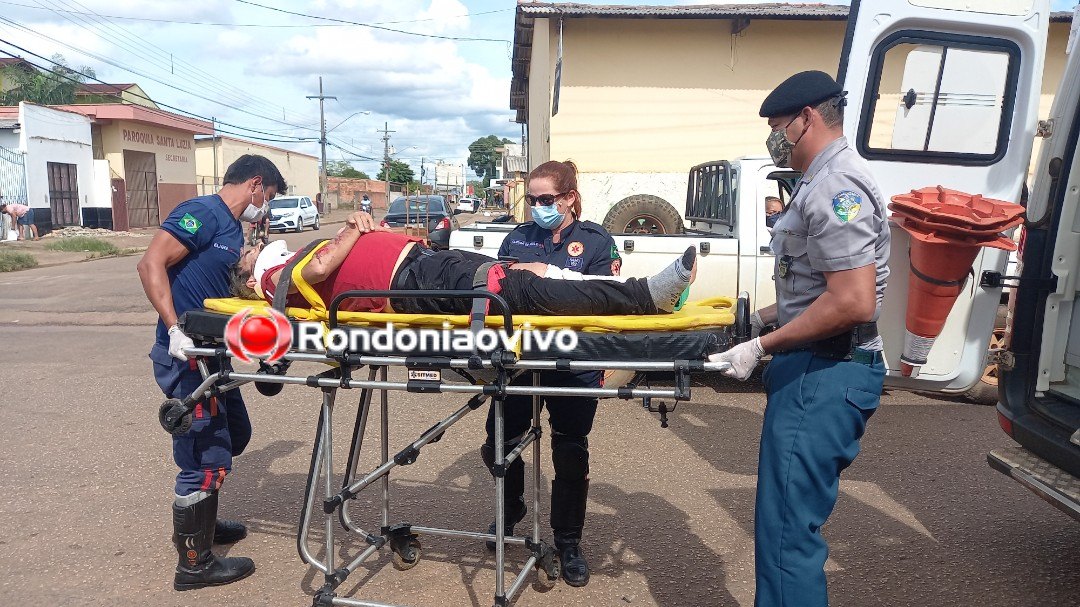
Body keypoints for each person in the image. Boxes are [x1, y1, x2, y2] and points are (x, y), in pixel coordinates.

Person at [710, 71, 890, 607]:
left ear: (807, 118)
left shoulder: (836, 187)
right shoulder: (821, 180)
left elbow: (853, 301)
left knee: (789, 536)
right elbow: (817, 290)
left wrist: (760, 348)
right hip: (815, 365)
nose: (774, 139)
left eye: (778, 127)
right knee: (783, 527)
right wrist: (759, 321)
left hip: (825, 371)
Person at [136, 154, 287, 591]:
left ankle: (205, 519)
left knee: (235, 434)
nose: (268, 208)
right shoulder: (201, 213)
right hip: (187, 355)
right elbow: (150, 264)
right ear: (255, 185)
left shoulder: (230, 227)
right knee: (206, 454)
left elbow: (215, 285)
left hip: (213, 354)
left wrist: (248, 273)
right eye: (270, 197)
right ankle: (194, 564)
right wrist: (173, 328)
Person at [474, 160, 618, 587]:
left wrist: (548, 275)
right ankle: (512, 508)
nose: (538, 207)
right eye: (532, 200)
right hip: (520, 357)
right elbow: (500, 289)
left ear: (569, 198)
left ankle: (568, 540)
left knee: (570, 449)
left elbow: (605, 298)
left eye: (546, 199)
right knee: (499, 440)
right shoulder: (519, 237)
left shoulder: (595, 241)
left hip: (573, 360)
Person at [230, 211, 696, 318]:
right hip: (411, 279)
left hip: (423, 265)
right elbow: (317, 271)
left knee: (521, 276)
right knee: (511, 290)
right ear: (251, 276)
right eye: (250, 251)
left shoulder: (284, 259)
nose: (255, 244)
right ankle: (644, 297)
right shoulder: (273, 277)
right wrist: (352, 228)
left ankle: (645, 291)